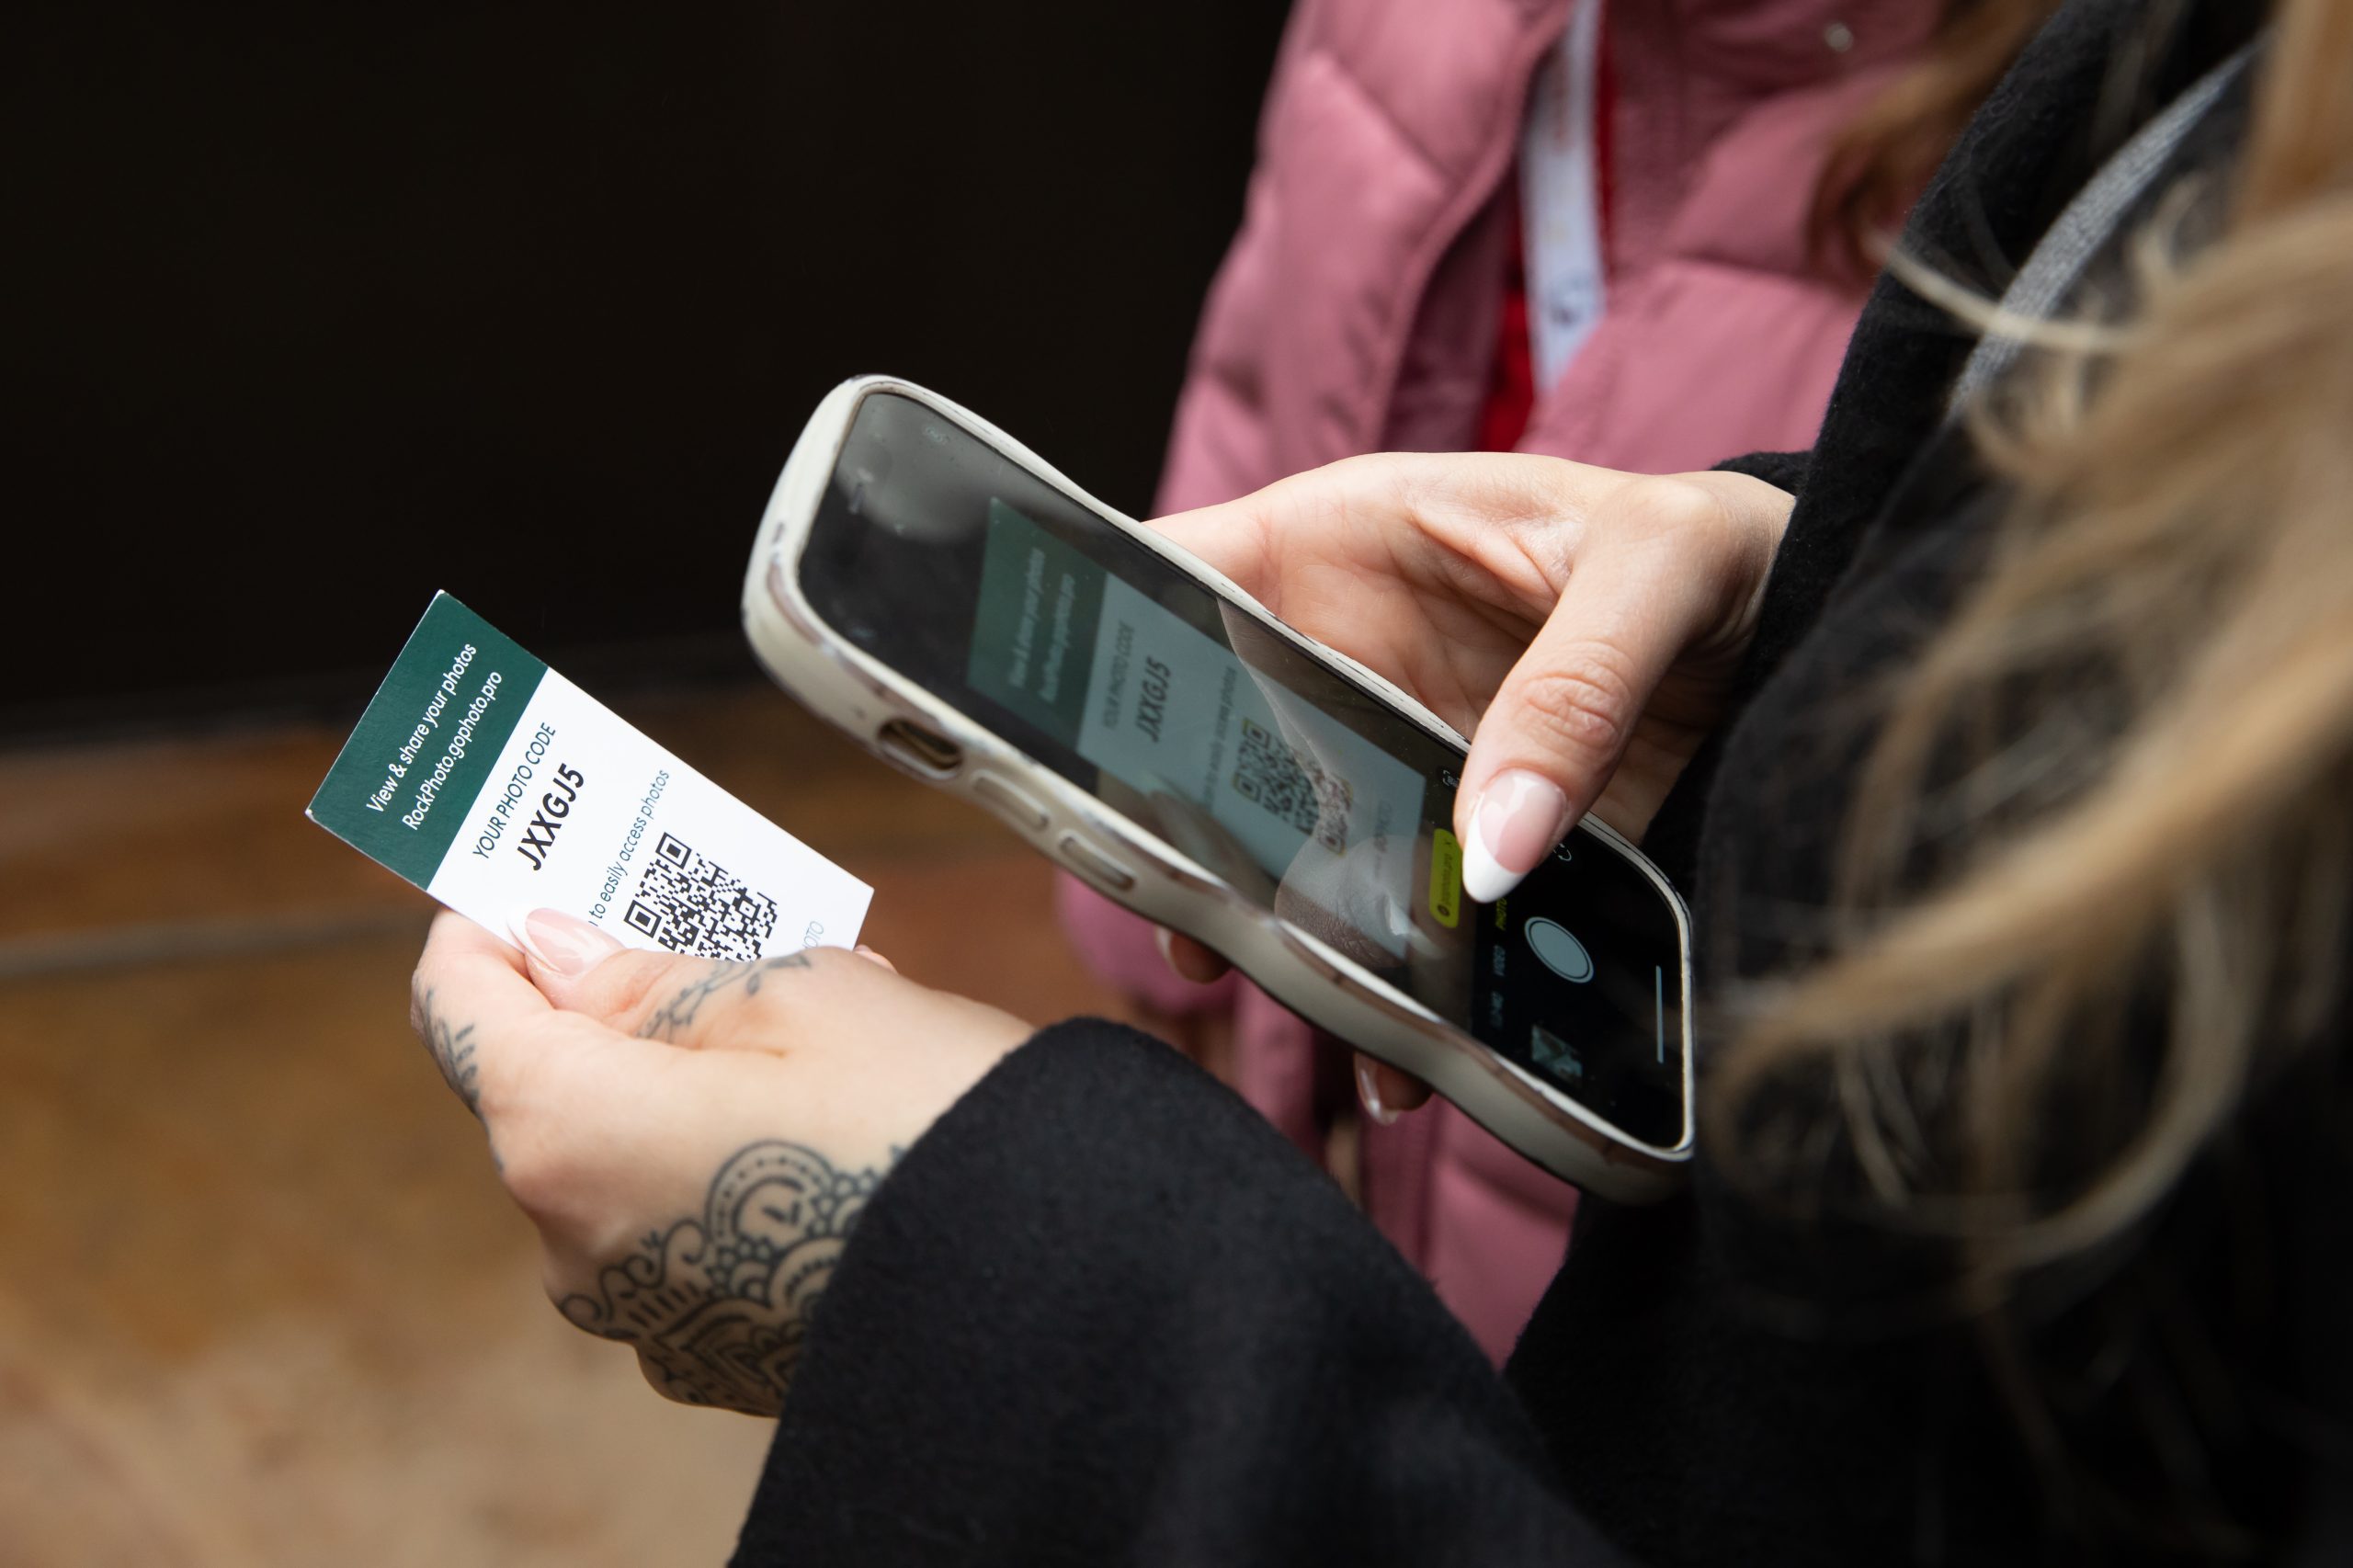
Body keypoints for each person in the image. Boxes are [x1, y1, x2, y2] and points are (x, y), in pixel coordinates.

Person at [413, 0, 2352, 1559]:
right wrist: (1810, 602)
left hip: (1530, 1215)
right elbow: (1262, 395)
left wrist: (1013, 1278)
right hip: (1415, 1066)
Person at [1056, 0, 1959, 1361]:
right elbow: (1258, 383)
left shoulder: (2044, 123)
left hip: (1634, 1140)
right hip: (1352, 956)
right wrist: (1145, 911)